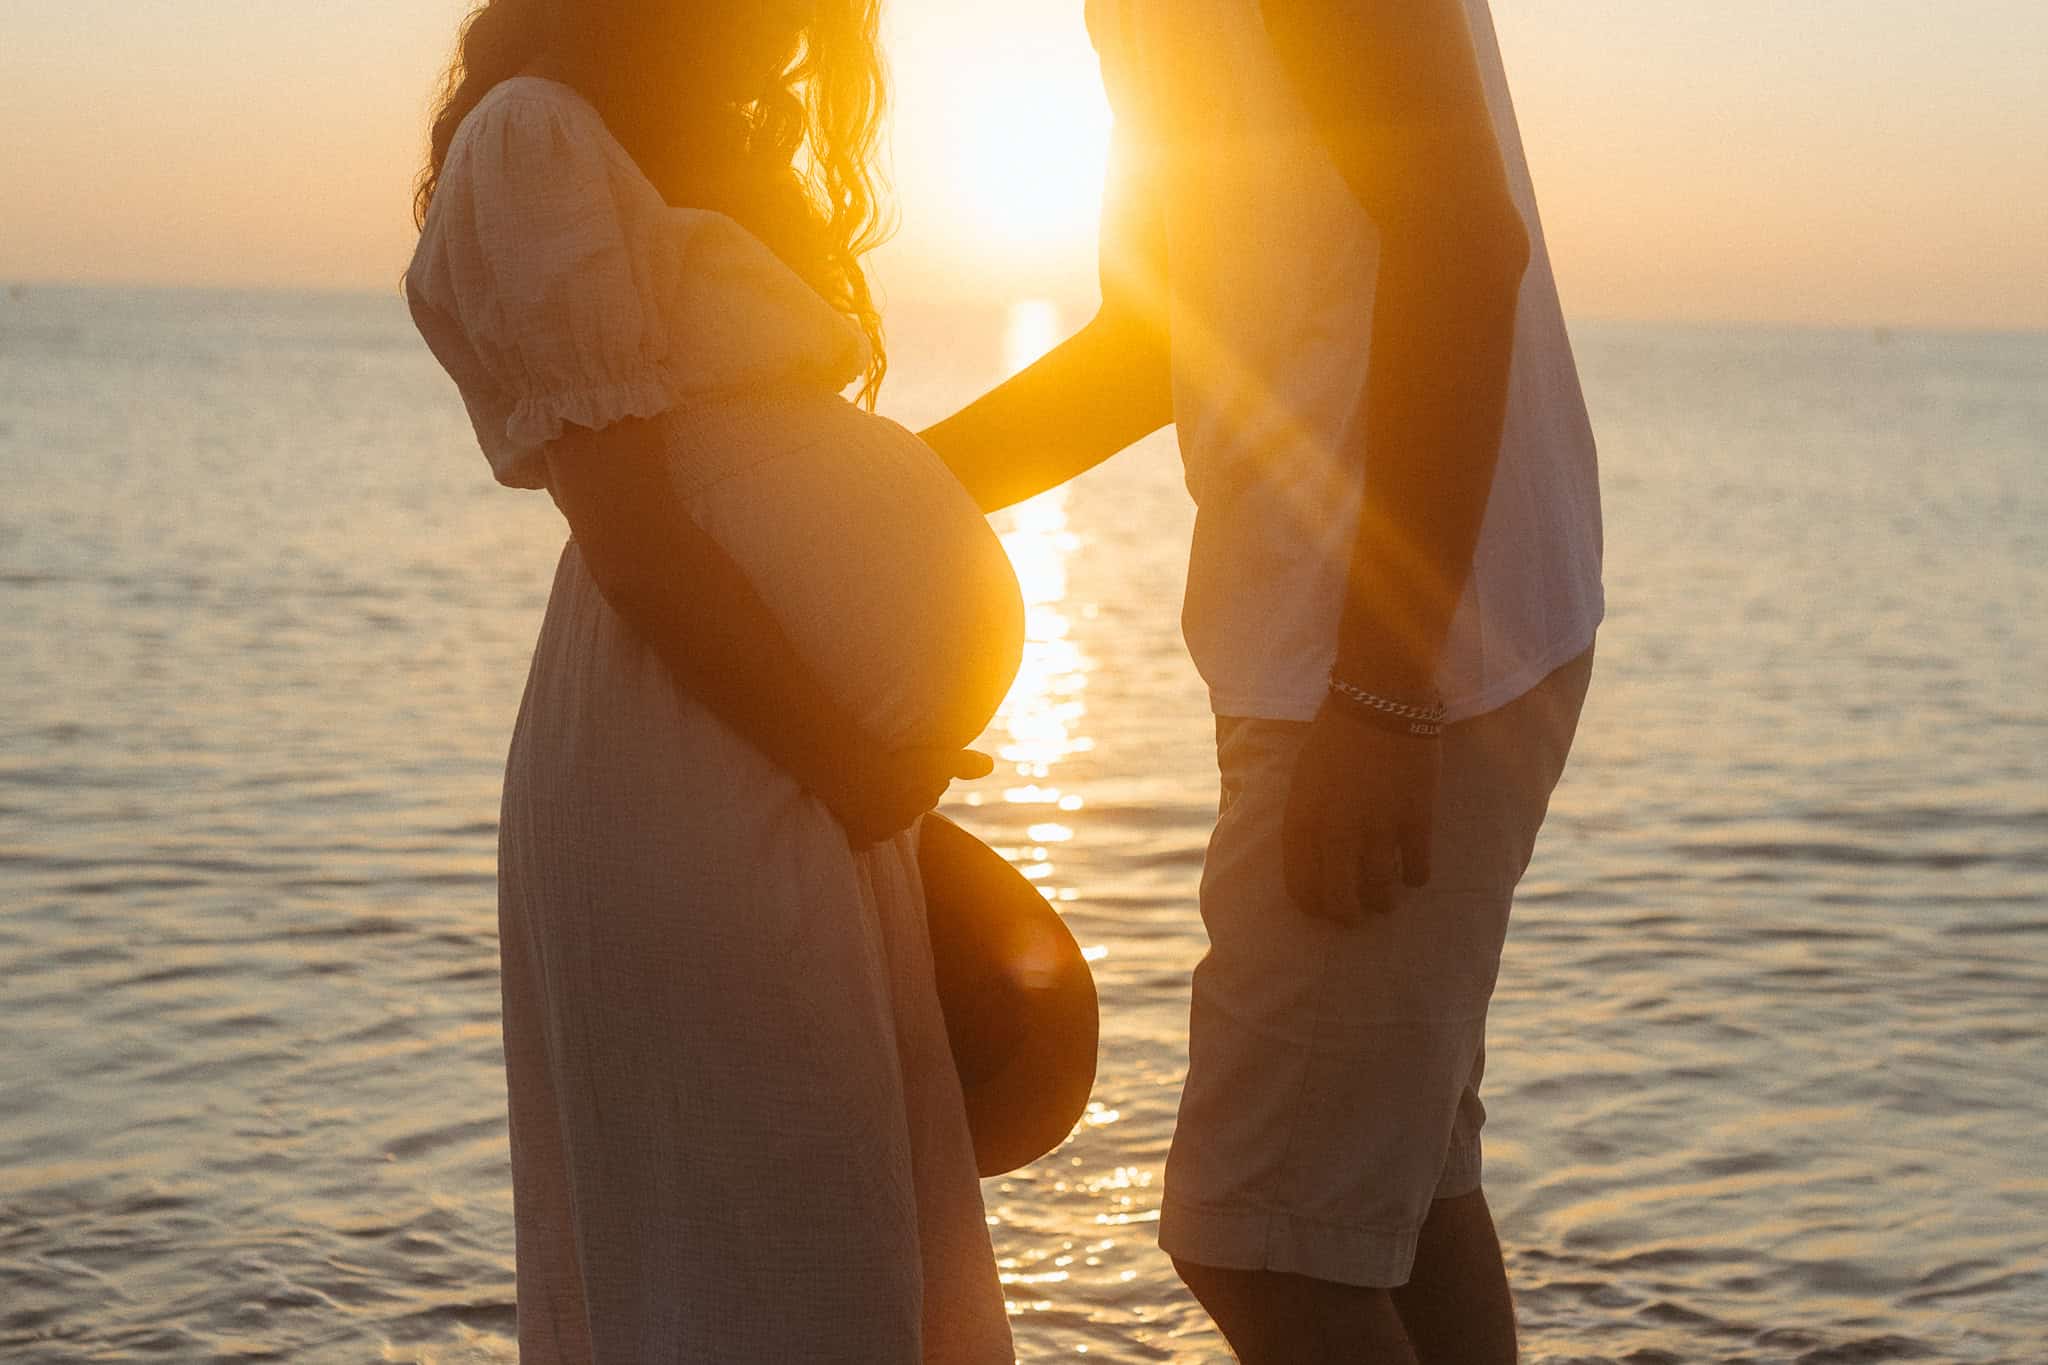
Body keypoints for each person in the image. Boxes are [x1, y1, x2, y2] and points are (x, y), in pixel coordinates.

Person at [922, 0, 1603, 1359]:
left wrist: (1382, 694)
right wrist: (874, 512)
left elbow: (1463, 244)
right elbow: (1156, 329)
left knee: (1260, 1238)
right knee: (1393, 1203)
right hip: (1384, 642)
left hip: (1400, 659)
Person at [403, 2, 1023, 1359]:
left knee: (846, 1227)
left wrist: (872, 709)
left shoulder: (699, 144)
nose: (799, 31)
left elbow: (766, 475)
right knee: (762, 1239)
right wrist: (840, 746)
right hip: (693, 757)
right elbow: (636, 538)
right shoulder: (536, 138)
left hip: (797, 763)